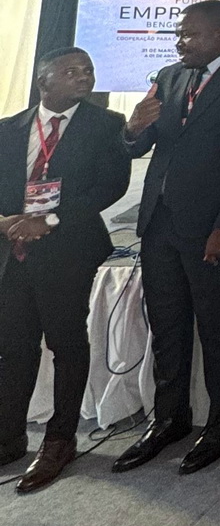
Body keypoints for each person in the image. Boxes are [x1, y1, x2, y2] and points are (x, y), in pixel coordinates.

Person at [113, 3, 220, 477]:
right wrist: (132, 127)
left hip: (212, 227)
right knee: (167, 324)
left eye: (190, 35)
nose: (180, 42)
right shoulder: (169, 76)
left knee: (217, 326)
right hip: (159, 222)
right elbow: (141, 145)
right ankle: (170, 419)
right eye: (180, 34)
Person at [0, 49, 129, 493]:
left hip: (69, 250)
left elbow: (110, 186)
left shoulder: (107, 125)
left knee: (66, 344)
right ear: (44, 81)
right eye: (71, 71)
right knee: (13, 347)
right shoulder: (9, 129)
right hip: (12, 253)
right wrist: (5, 223)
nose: (83, 77)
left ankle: (59, 439)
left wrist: (49, 220)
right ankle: (9, 436)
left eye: (87, 70)